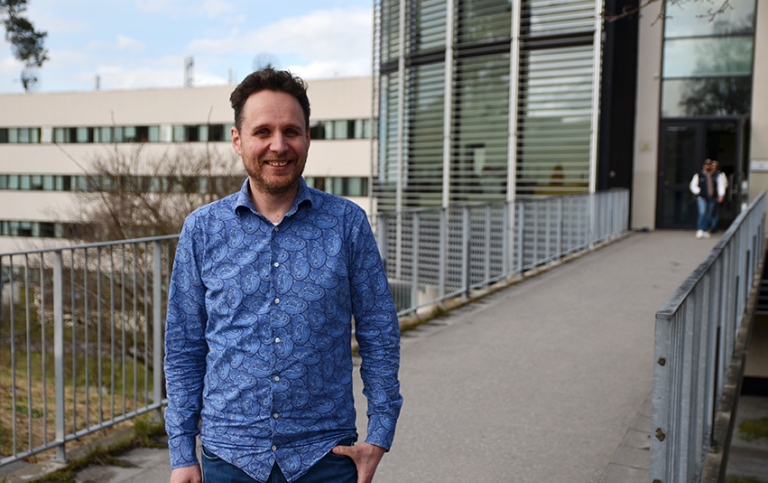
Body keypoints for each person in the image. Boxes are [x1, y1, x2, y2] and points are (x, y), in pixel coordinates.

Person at [164, 68, 403, 483]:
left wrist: (380, 434)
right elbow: (184, 347)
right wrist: (182, 453)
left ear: (307, 137)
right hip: (229, 460)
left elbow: (379, 332)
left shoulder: (347, 224)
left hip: (326, 458)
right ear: (238, 140)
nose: (279, 145)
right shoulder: (202, 230)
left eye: (291, 131)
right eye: (263, 132)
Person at [689, 158, 726, 239]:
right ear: (704, 166)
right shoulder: (699, 175)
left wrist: (721, 195)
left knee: (708, 214)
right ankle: (700, 229)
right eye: (706, 164)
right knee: (702, 212)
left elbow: (721, 186)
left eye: (709, 164)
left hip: (712, 197)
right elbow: (693, 185)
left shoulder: (717, 175)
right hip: (701, 197)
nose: (708, 166)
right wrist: (698, 191)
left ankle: (705, 230)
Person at [708, 160, 728, 233]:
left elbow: (724, 185)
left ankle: (713, 226)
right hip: (708, 196)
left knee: (716, 212)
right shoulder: (707, 174)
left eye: (714, 166)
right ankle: (709, 225)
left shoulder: (720, 175)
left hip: (716, 196)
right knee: (709, 212)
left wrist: (721, 195)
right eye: (712, 166)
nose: (713, 167)